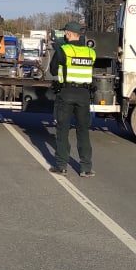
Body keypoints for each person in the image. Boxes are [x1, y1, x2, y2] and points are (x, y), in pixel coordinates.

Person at [49, 20, 96, 177]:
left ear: (69, 34)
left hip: (66, 93)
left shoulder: (64, 50)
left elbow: (54, 70)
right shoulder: (91, 52)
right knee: (83, 131)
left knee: (62, 130)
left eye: (65, 33)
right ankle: (86, 168)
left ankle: (61, 166)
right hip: (84, 95)